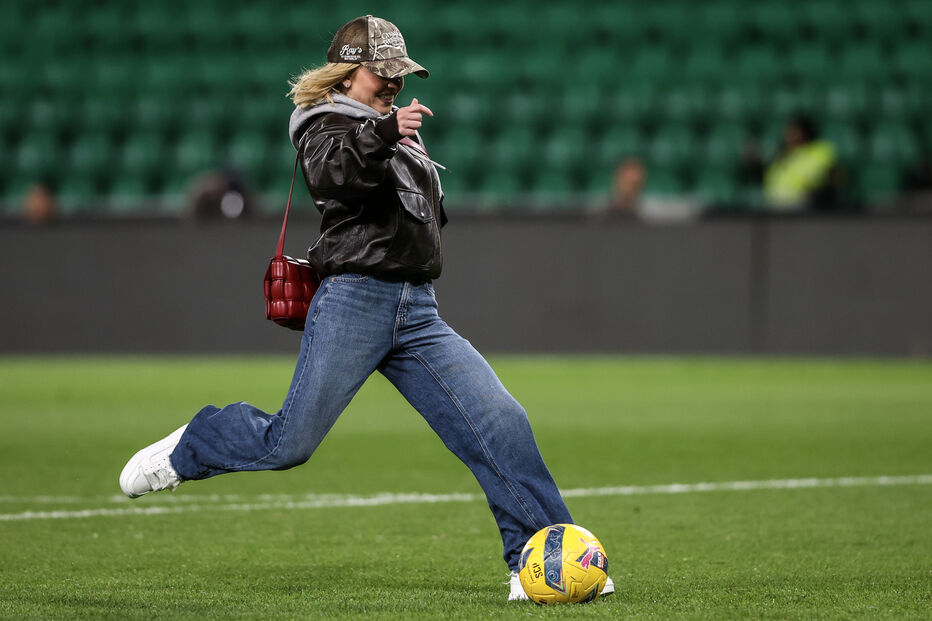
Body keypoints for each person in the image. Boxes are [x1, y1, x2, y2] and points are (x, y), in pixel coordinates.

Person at [118, 15, 613, 602]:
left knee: (499, 420)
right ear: (347, 73)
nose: (394, 85)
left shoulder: (389, 129)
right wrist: (383, 134)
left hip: (417, 307)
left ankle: (544, 560)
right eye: (384, 74)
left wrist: (393, 142)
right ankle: (195, 444)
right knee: (288, 444)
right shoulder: (323, 125)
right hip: (355, 299)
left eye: (400, 76)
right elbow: (334, 175)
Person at [742, 115, 841, 211]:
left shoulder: (820, 150)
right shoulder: (781, 155)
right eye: (788, 131)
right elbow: (769, 178)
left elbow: (829, 177)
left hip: (806, 208)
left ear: (804, 132)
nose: (789, 135)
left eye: (794, 131)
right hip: (775, 207)